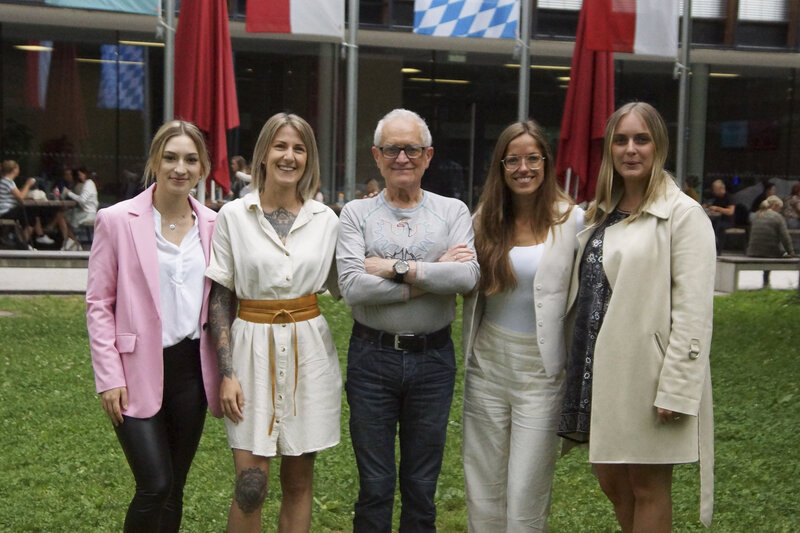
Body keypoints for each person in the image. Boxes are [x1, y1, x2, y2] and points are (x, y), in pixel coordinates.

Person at [558, 102, 716, 531]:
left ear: (658, 146)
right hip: (598, 371)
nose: (631, 149)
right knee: (611, 479)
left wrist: (677, 389)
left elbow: (694, 310)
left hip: (647, 376)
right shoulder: (598, 213)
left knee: (646, 485)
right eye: (621, 140)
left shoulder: (683, 215)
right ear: (609, 148)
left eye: (641, 139)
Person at [336, 108, 480, 532]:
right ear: (377, 156)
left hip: (433, 361)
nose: (403, 158)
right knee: (375, 485)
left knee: (421, 485)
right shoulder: (355, 215)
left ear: (429, 155)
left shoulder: (452, 211)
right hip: (372, 360)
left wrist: (395, 269)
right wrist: (435, 275)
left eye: (412, 148)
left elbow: (468, 276)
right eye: (392, 149)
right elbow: (353, 288)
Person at [206, 112, 341, 533]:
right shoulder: (233, 215)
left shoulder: (326, 221)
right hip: (250, 353)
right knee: (252, 485)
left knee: (299, 483)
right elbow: (220, 298)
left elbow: (353, 282)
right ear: (263, 154)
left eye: (299, 148)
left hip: (310, 354)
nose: (289, 156)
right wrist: (226, 374)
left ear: (309, 158)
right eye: (280, 146)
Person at [85, 120, 221, 531]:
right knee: (154, 483)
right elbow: (98, 304)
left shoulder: (215, 225)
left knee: (175, 487)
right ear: (154, 162)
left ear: (203, 168)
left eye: (191, 160)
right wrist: (109, 377)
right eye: (171, 157)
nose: (180, 168)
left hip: (191, 372)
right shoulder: (116, 220)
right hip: (134, 369)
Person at [461, 120, 583, 532]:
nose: (523, 168)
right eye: (512, 160)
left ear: (546, 163)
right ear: (500, 167)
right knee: (483, 485)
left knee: (527, 489)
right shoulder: (483, 221)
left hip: (541, 371)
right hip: (488, 364)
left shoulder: (572, 221)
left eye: (532, 158)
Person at [0, 159, 59, 248]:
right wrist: (28, 184)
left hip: (6, 211)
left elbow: (17, 195)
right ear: (15, 170)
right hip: (6, 211)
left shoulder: (4, 181)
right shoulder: (8, 182)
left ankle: (29, 240)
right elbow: (20, 197)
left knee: (30, 214)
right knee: (31, 213)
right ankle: (26, 242)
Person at [747, 195, 795, 287]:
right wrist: (791, 252)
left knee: (768, 247)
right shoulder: (777, 217)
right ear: (774, 206)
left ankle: (766, 281)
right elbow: (785, 237)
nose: (780, 211)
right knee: (779, 251)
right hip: (770, 252)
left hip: (752, 251)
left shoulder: (756, 215)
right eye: (779, 208)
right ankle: (766, 281)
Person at [61, 165, 98, 250]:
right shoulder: (87, 184)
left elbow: (82, 200)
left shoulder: (89, 184)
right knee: (64, 216)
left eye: (80, 174)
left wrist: (69, 193)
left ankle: (73, 242)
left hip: (88, 213)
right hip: (85, 210)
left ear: (85, 174)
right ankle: (72, 242)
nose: (79, 176)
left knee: (63, 217)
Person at [703, 179, 735, 250]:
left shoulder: (729, 197)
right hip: (715, 219)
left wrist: (718, 208)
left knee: (718, 227)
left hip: (726, 221)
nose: (714, 191)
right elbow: (706, 204)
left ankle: (718, 248)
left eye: (715, 189)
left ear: (721, 189)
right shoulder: (714, 197)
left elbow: (730, 211)